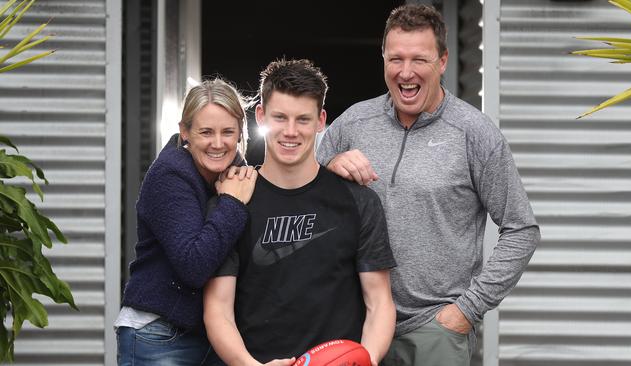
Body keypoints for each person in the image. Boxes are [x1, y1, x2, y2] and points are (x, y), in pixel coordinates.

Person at [316, 4, 540, 366]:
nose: (406, 72)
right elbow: (300, 189)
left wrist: (466, 310)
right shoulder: (355, 122)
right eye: (395, 59)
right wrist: (327, 165)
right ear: (384, 59)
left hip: (433, 330)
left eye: (419, 59)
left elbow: (521, 228)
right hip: (357, 324)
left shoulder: (474, 133)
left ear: (443, 61)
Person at [203, 59, 397, 366]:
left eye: (303, 120)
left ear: (321, 120)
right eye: (279, 118)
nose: (291, 132)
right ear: (261, 115)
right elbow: (218, 308)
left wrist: (365, 360)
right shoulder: (232, 204)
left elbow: (380, 303)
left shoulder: (358, 202)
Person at [115, 78, 258, 366]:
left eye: (228, 132)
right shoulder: (169, 176)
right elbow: (193, 265)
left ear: (241, 133)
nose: (218, 143)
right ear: (185, 132)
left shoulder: (237, 173)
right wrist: (230, 203)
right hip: (159, 334)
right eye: (206, 132)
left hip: (212, 336)